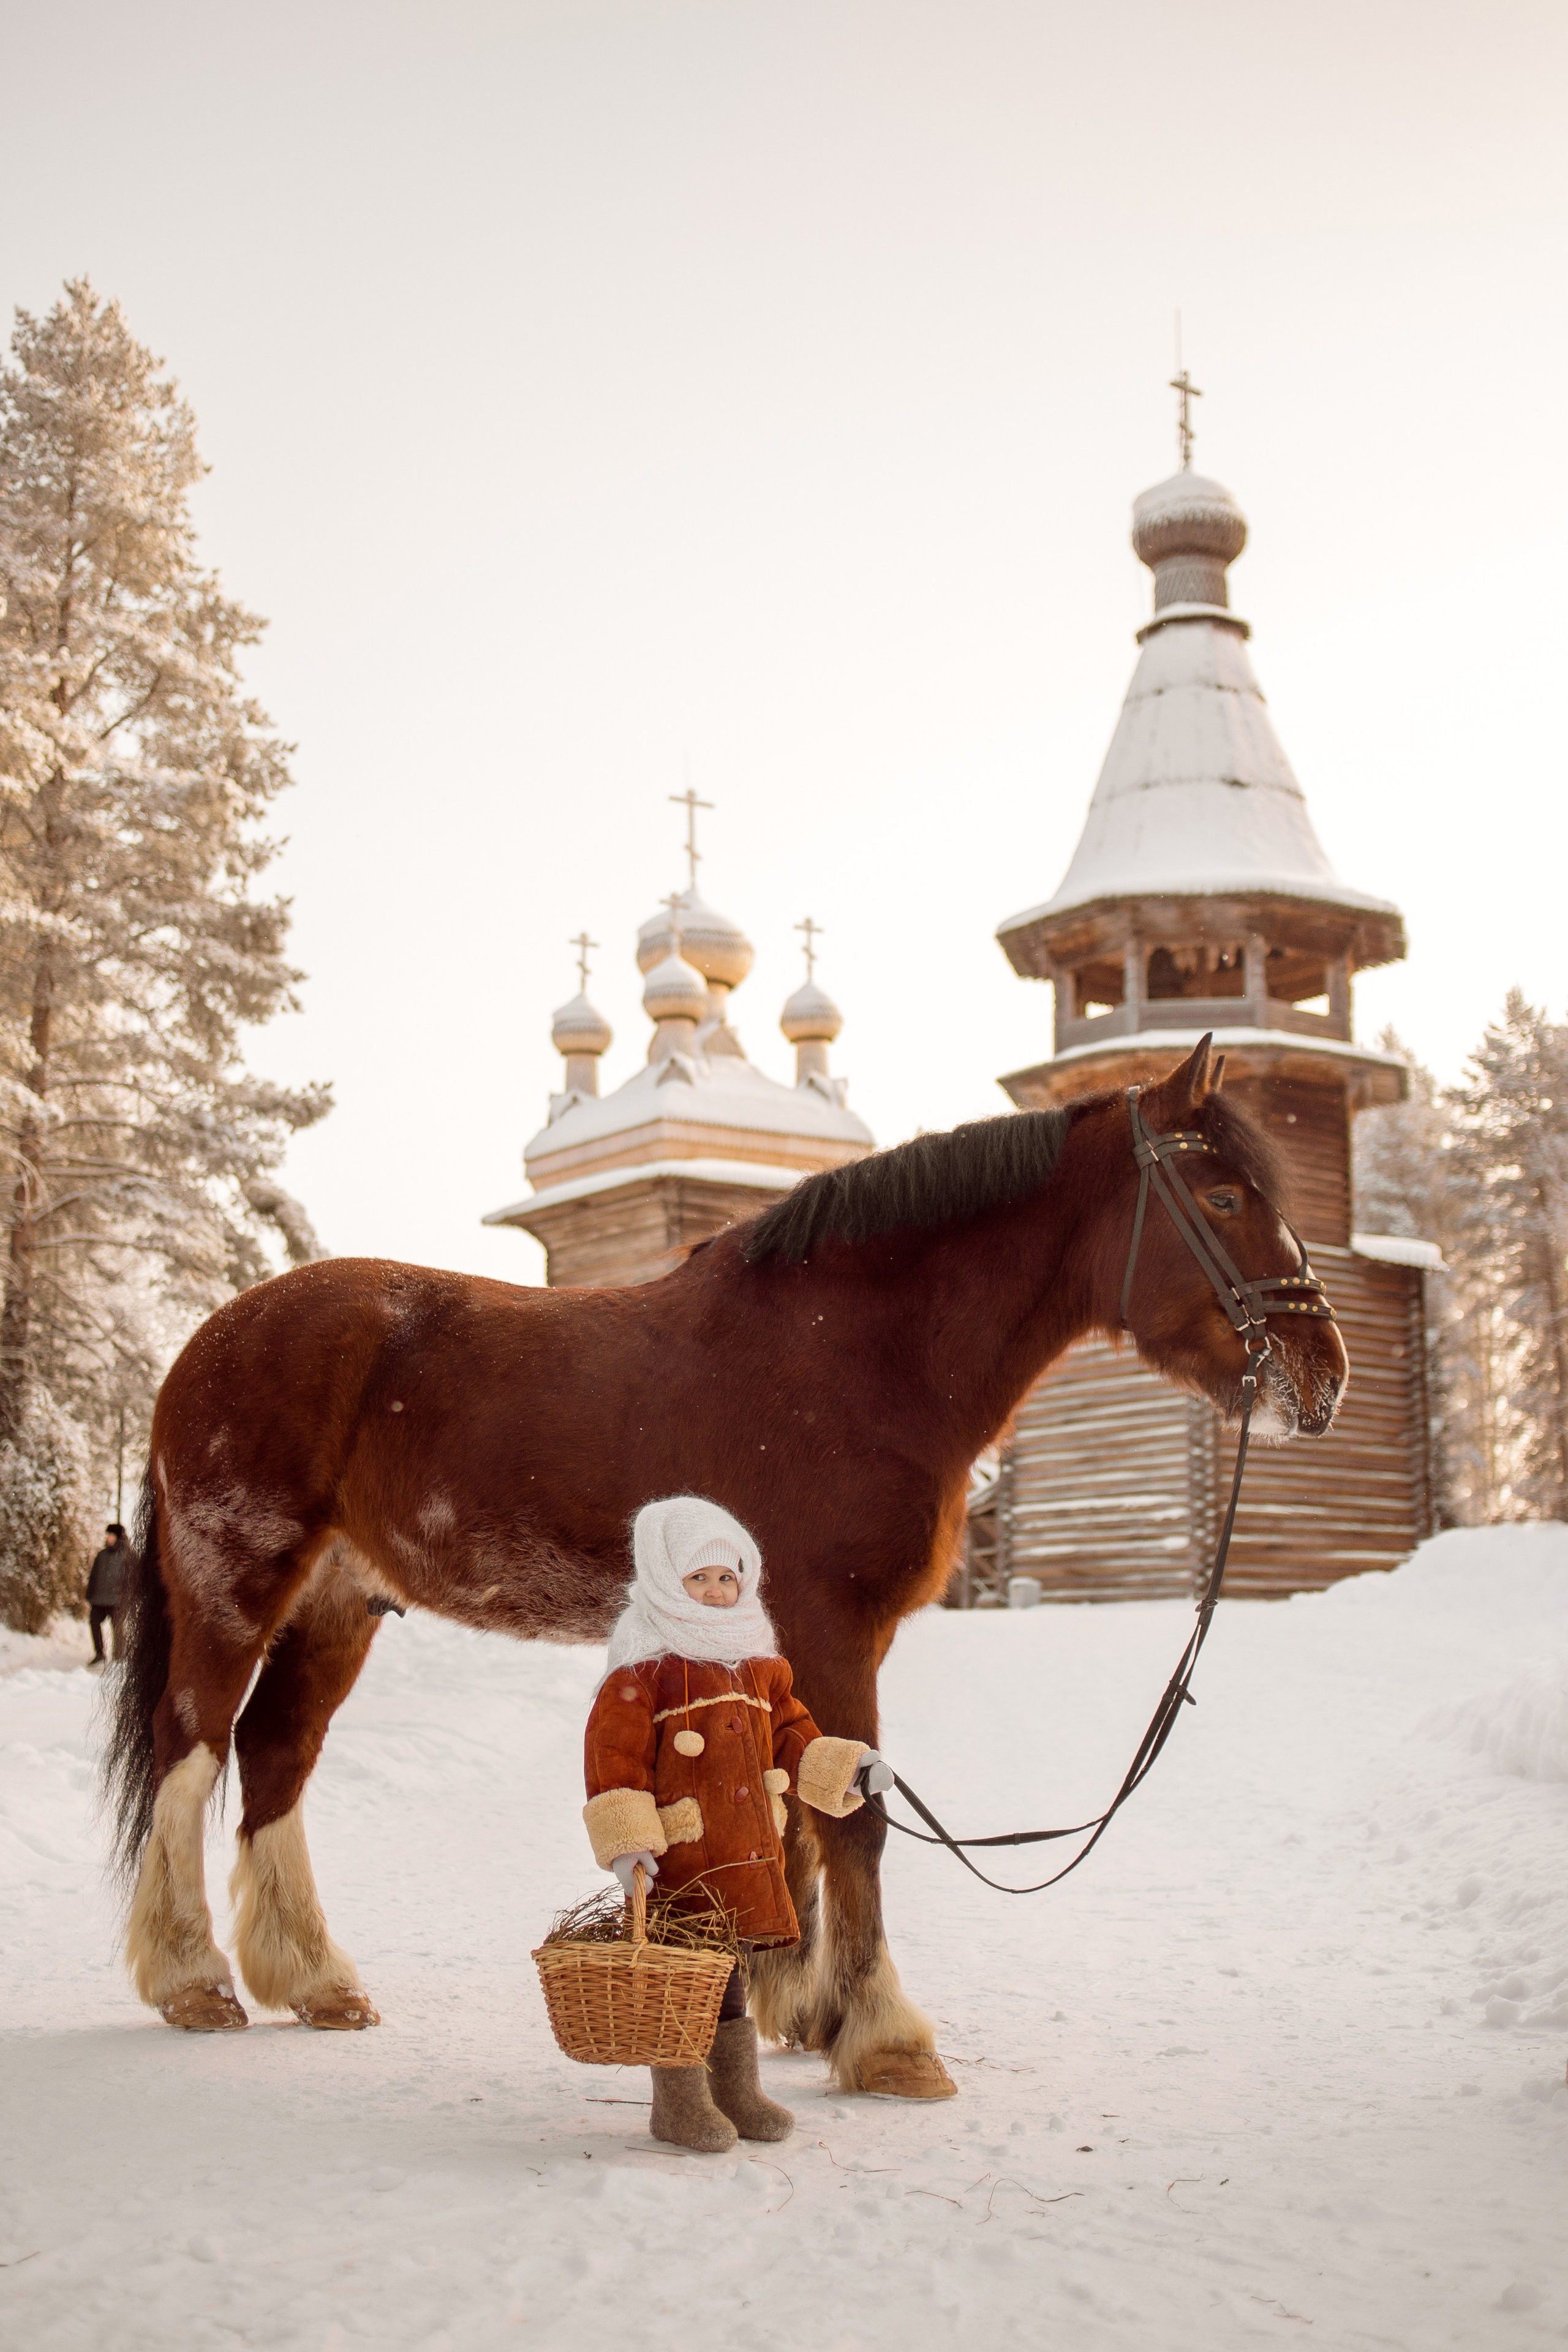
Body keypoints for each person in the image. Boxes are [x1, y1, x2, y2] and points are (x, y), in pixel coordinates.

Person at [582, 1495, 895, 2155]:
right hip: (682, 1857)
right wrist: (628, 1841)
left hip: (746, 1851)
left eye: (728, 1577)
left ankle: (736, 2091)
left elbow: (791, 1735)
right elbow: (614, 1761)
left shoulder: (759, 1663)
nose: (718, 1591)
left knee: (730, 1976)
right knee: (686, 1979)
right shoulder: (646, 1668)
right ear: (669, 1580)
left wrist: (847, 1768)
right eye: (700, 1578)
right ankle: (679, 2102)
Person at [86, 1523, 131, 1664]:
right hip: (98, 1600)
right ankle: (99, 1654)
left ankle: (119, 1657)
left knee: (118, 1628)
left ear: (118, 1537)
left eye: (110, 1535)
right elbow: (93, 1576)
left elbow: (133, 1580)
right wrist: (90, 1594)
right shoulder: (101, 1555)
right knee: (94, 1623)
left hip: (118, 1600)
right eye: (107, 1535)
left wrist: (127, 1597)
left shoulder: (128, 1556)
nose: (108, 1538)